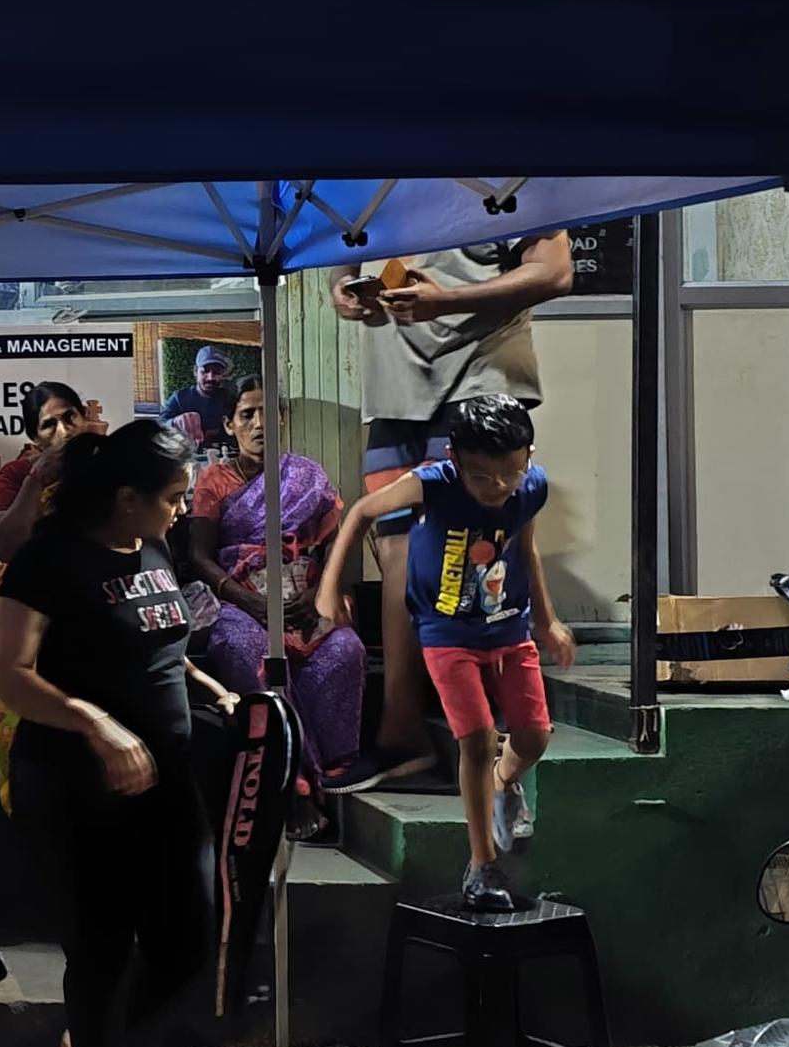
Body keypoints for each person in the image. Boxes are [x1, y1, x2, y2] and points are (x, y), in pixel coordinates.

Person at [0, 416, 215, 1047]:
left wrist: (213, 690)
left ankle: (94, 1042)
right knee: (102, 954)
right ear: (126, 497)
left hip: (168, 780)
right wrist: (95, 723)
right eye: (173, 496)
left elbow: (156, 640)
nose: (183, 509)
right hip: (77, 786)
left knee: (191, 940)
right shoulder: (48, 560)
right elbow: (7, 671)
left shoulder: (153, 546)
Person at [314, 389, 571, 913]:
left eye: (510, 473)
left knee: (534, 737)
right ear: (453, 459)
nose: (498, 488)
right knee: (475, 739)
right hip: (445, 632)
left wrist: (547, 621)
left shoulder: (531, 487)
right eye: (481, 477)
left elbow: (525, 547)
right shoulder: (433, 483)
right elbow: (361, 512)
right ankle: (481, 866)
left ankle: (503, 782)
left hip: (508, 629)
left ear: (529, 456)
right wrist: (328, 587)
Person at [330, 231, 571, 778]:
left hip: (477, 378)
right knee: (397, 555)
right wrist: (342, 288)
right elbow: (344, 261)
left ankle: (491, 729)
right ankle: (402, 730)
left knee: (468, 548)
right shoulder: (366, 190)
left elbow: (555, 271)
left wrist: (449, 300)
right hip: (394, 391)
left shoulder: (502, 184)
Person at [188, 370, 368, 783]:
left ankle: (334, 765)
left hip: (304, 598)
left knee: (346, 649)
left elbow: (334, 544)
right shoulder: (214, 481)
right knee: (242, 647)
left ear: (282, 418)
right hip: (241, 602)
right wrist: (249, 601)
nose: (259, 424)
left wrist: (319, 593)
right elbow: (199, 555)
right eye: (247, 414)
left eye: (267, 412)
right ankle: (293, 767)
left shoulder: (307, 474)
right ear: (229, 424)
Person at [0, 379, 99, 561]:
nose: (64, 431)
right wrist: (35, 480)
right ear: (35, 438)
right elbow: (5, 549)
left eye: (70, 417)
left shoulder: (109, 463)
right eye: (49, 425)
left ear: (84, 417)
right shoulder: (16, 473)